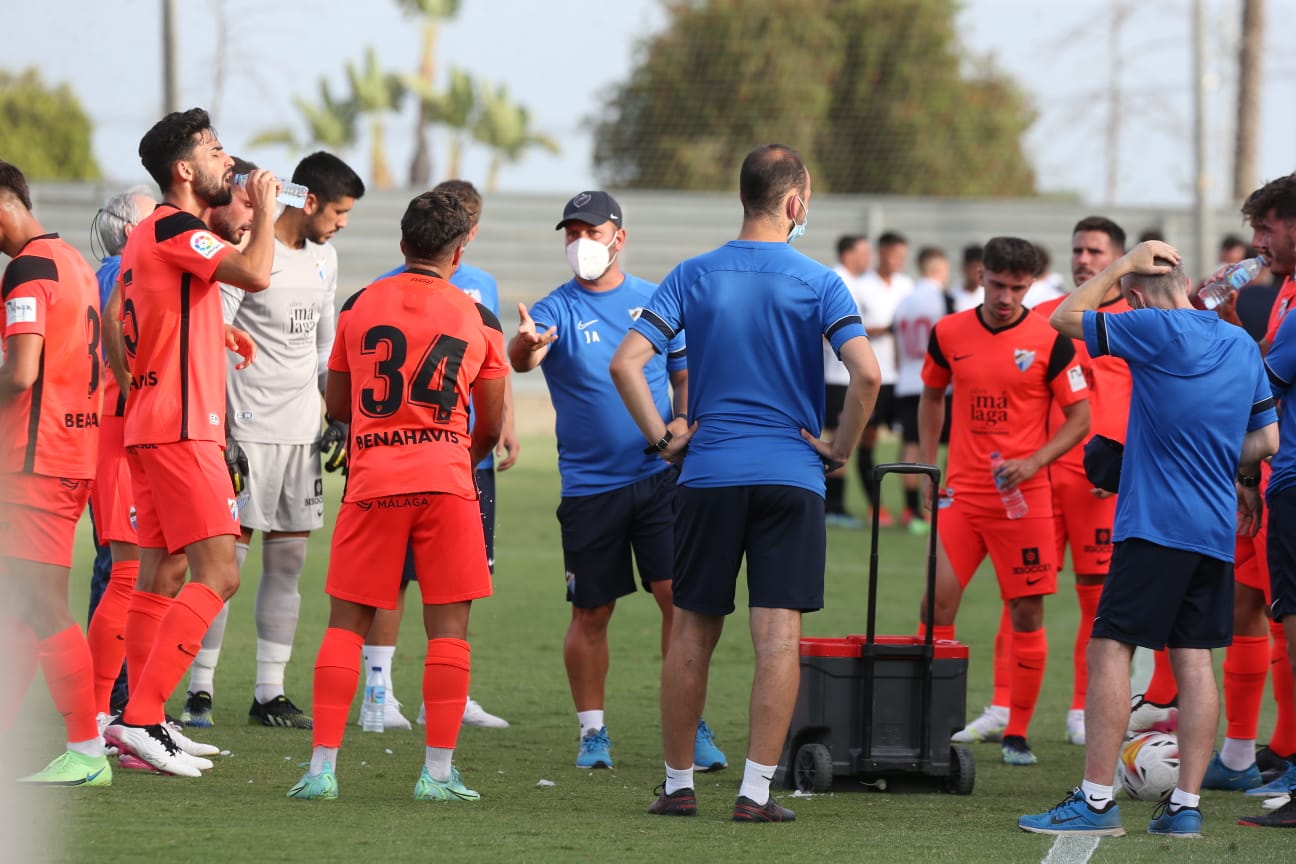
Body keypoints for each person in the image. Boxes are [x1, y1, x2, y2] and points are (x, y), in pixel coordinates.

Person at [611, 144, 880, 822]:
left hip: (708, 474)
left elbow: (627, 362)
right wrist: (839, 449)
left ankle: (678, 786)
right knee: (777, 637)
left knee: (692, 634)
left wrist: (664, 437)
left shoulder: (691, 274)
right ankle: (755, 793)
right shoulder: (820, 280)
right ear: (795, 204)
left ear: (743, 197)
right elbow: (869, 374)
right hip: (792, 476)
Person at [1019, 240, 1278, 838]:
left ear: (1135, 296)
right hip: (1214, 528)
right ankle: (1185, 808)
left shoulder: (1152, 326)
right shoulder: (1239, 343)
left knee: (1109, 647)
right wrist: (1220, 463)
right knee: (1194, 660)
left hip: (1156, 524)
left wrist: (1120, 263)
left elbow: (1059, 319)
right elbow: (1264, 443)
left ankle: (1096, 801)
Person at [287, 189, 506, 802]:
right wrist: (459, 456)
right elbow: (488, 421)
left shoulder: (360, 305)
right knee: (449, 631)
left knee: (345, 626)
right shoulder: (478, 317)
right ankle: (436, 775)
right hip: (447, 481)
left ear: (403, 244)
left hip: (374, 479)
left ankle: (321, 770)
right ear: (459, 252)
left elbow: (335, 405)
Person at [509, 190, 725, 772]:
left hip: (658, 479)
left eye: (592, 232)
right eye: (571, 233)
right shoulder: (556, 308)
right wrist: (525, 345)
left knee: (679, 603)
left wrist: (682, 420)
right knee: (592, 613)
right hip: (589, 489)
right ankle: (592, 734)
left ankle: (690, 723)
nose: (581, 244)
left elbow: (682, 376)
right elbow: (523, 356)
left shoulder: (655, 299)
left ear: (619, 238)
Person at [102, 108, 279, 776]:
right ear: (184, 169)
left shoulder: (154, 236)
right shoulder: (176, 226)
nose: (226, 162)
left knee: (163, 574)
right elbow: (257, 274)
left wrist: (213, 336)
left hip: (154, 424)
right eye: (214, 150)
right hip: (183, 429)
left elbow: (125, 326)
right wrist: (263, 209)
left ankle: (146, 722)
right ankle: (142, 716)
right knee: (221, 572)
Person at [178, 152, 365, 731]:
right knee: (221, 565)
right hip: (246, 431)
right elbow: (214, 339)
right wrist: (223, 428)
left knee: (288, 563)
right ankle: (199, 690)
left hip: (302, 432)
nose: (341, 224)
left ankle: (268, 693)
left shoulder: (326, 260)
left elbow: (323, 349)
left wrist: (338, 418)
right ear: (307, 201)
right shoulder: (251, 256)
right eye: (338, 212)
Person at [918, 236, 1090, 767]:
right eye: (997, 284)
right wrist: (928, 465)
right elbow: (930, 395)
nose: (1006, 296)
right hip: (963, 496)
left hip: (1026, 500)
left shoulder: (1051, 338)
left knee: (1026, 611)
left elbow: (1082, 418)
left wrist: (1036, 461)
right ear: (980, 276)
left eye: (1018, 287)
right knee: (935, 604)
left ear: (1031, 284)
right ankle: (930, 723)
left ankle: (1017, 730)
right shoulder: (948, 332)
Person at [359, 179, 517, 732]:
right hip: (438, 457)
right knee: (397, 580)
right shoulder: (390, 289)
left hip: (443, 457)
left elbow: (492, 373)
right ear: (459, 238)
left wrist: (502, 432)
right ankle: (380, 692)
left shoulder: (482, 290)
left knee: (448, 583)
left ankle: (444, 697)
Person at [0, 159, 110, 786]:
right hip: (70, 455)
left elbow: (20, 373)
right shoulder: (71, 262)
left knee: (40, 606)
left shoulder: (28, 269)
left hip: (34, 463)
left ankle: (87, 751)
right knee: (19, 606)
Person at [1023, 217, 1131, 749]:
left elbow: (1147, 402)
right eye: (1078, 250)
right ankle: (1004, 710)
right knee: (1024, 594)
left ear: (1118, 259)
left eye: (1096, 251)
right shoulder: (1046, 317)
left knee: (1097, 603)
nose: (1084, 259)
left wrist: (1122, 466)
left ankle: (1081, 709)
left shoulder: (1140, 319)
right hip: (1044, 479)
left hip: (1101, 483)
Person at [85, 187, 156, 717]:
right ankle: (114, 704)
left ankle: (118, 701)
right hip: (121, 431)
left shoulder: (99, 276)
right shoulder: (124, 277)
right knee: (125, 571)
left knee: (117, 567)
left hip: (105, 433)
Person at [1242, 277, 1296, 827]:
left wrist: (1244, 473)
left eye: (1268, 227)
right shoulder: (1285, 295)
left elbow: (1260, 386)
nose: (1259, 242)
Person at [891, 245, 952, 535]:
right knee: (949, 445)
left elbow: (896, 346)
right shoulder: (943, 299)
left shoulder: (904, 302)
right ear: (940, 269)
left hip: (906, 380)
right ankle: (946, 506)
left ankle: (911, 509)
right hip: (938, 383)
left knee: (912, 445)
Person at [854, 231, 913, 527]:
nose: (900, 261)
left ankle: (910, 508)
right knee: (869, 438)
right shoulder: (862, 286)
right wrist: (883, 330)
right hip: (875, 374)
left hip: (903, 379)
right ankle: (874, 506)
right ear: (882, 253)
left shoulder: (907, 286)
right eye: (895, 255)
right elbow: (853, 328)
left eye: (903, 256)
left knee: (909, 440)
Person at [823, 234, 870, 528]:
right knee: (838, 438)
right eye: (864, 252)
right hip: (837, 376)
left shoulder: (849, 281)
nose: (869, 258)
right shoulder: (838, 281)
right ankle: (833, 506)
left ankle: (833, 505)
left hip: (842, 375)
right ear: (849, 253)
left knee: (843, 437)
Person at [950, 243, 984, 313]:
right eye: (974, 267)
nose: (977, 272)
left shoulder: (988, 296)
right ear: (964, 268)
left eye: (981, 267)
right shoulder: (952, 296)